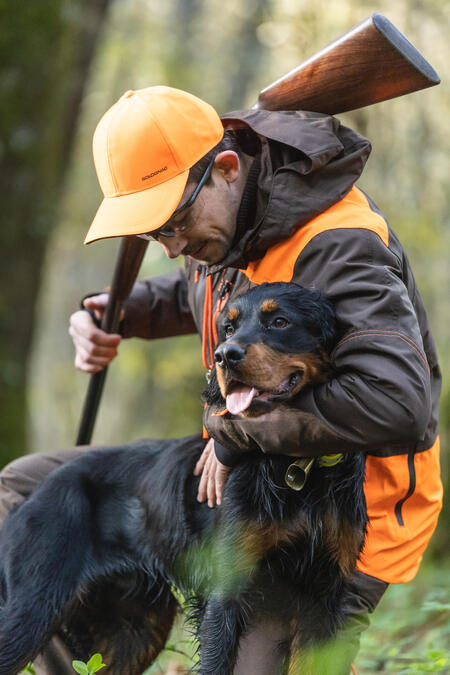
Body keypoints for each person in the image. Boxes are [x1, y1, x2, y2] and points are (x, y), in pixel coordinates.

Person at [0, 86, 442, 674]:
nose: (173, 247)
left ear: (228, 168)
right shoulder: (227, 223)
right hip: (252, 484)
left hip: (349, 509)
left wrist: (233, 431)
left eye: (175, 224)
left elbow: (396, 404)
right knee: (26, 489)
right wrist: (123, 312)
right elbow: (225, 297)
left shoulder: (341, 243)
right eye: (157, 234)